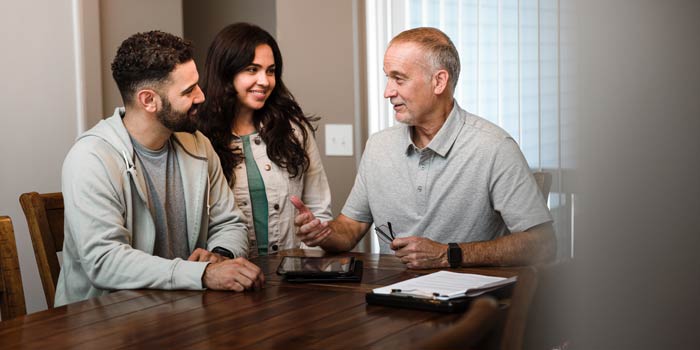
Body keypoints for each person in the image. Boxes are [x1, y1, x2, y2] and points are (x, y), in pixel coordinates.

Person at [293, 27, 555, 269]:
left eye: (399, 79)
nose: (387, 92)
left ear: (439, 81)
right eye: (388, 78)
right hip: (391, 300)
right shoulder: (378, 146)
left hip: (470, 307)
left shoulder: (495, 147)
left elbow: (543, 244)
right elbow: (349, 230)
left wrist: (449, 254)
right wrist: (324, 233)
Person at [56, 30, 265, 306]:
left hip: (183, 315)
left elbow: (230, 222)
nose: (202, 97)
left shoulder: (199, 145)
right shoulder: (90, 158)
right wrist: (201, 274)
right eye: (189, 91)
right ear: (148, 100)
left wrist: (219, 254)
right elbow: (105, 261)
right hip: (105, 324)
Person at [198, 23, 331, 257]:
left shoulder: (294, 130)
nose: (265, 81)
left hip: (292, 276)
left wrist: (311, 250)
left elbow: (319, 208)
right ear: (226, 72)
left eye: (270, 71)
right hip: (229, 277)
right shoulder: (196, 138)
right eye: (252, 69)